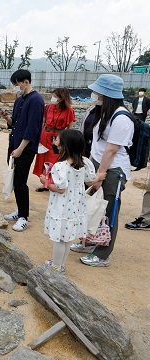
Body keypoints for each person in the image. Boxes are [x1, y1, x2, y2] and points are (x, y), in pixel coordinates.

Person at [75, 74, 134, 267]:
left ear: (106, 94)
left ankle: (102, 254)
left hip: (113, 171)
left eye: (97, 91)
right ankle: (90, 240)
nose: (94, 94)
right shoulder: (105, 113)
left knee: (108, 211)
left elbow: (111, 149)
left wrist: (99, 176)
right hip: (100, 166)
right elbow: (99, 146)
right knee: (93, 207)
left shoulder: (121, 118)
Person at [40, 130, 96, 273]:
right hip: (76, 205)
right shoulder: (85, 162)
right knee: (67, 236)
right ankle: (61, 264)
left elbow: (60, 189)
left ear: (65, 145)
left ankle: (56, 266)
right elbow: (90, 180)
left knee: (58, 237)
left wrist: (44, 181)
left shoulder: (61, 166)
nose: (55, 142)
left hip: (62, 205)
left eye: (58, 140)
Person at [0, 69, 44, 231]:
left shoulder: (36, 100)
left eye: (17, 84)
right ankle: (20, 210)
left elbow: (32, 129)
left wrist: (20, 149)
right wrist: (6, 117)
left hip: (25, 147)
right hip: (14, 144)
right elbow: (15, 123)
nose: (15, 87)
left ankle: (24, 216)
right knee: (15, 179)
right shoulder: (20, 100)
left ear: (26, 82)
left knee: (20, 181)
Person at [32, 87, 75, 191]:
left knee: (54, 159)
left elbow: (69, 127)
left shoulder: (69, 110)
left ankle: (54, 182)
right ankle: (45, 183)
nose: (53, 98)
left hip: (57, 137)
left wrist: (65, 141)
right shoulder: (48, 107)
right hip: (45, 134)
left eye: (56, 97)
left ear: (61, 98)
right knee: (43, 158)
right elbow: (43, 121)